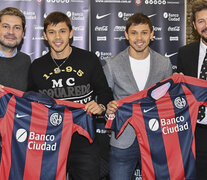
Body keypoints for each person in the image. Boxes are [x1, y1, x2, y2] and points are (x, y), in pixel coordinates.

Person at [28, 11, 113, 180]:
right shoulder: (37, 66)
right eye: (51, 32)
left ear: (71, 33)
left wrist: (101, 106)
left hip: (83, 138)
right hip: (50, 139)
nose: (57, 37)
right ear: (45, 36)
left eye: (62, 31)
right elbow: (30, 100)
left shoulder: (88, 59)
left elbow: (104, 92)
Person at [103, 13, 172, 180]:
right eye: (134, 33)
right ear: (126, 35)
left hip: (155, 137)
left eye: (144, 32)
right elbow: (104, 98)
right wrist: (108, 107)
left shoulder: (164, 64)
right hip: (123, 139)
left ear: (152, 34)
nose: (139, 38)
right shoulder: (112, 64)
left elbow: (168, 102)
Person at [177, 0, 207, 179]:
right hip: (195, 131)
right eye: (201, 21)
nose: (206, 25)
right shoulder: (185, 53)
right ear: (195, 26)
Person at [0, 7, 31, 162]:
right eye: (6, 26)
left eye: (17, 28)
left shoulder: (27, 61)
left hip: (17, 144)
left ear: (23, 33)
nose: (11, 32)